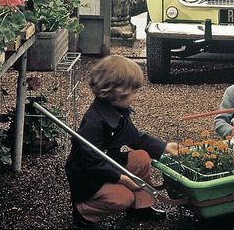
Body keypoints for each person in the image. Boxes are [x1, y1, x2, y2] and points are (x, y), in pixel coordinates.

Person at [65, 55, 179, 228]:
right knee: (123, 198)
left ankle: (140, 207)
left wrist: (163, 146)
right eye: (133, 92)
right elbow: (91, 163)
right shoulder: (93, 122)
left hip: (107, 163)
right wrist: (122, 179)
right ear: (117, 94)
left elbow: (135, 137)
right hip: (88, 176)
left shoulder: (117, 109)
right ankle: (84, 212)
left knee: (141, 157)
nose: (135, 96)